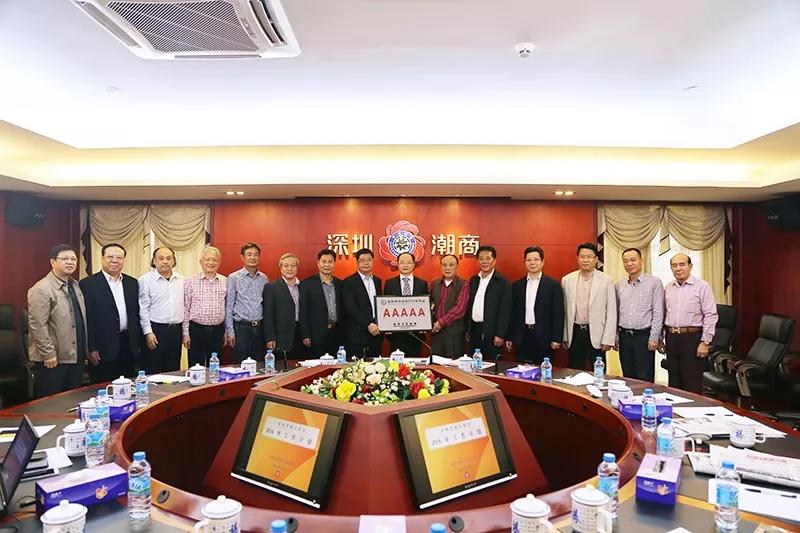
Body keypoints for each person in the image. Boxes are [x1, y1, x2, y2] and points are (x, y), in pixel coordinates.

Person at [27, 244, 87, 397]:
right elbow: (37, 325)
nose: (70, 262)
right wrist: (48, 354)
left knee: (72, 399)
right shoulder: (41, 289)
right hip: (54, 358)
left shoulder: (75, 285)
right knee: (50, 402)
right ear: (53, 262)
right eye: (65, 259)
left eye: (73, 259)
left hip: (75, 355)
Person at [80, 243, 141, 383]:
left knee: (128, 385)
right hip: (102, 346)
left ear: (124, 260)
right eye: (110, 257)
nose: (114, 260)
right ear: (102, 259)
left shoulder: (132, 283)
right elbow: (87, 318)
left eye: (119, 257)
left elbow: (136, 315)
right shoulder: (88, 284)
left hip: (128, 344)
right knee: (102, 387)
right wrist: (91, 348)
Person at [663, 253, 718, 393]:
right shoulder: (668, 287)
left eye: (682, 264)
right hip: (671, 338)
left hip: (692, 339)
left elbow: (710, 315)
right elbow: (664, 313)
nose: (678, 268)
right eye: (674, 265)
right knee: (674, 382)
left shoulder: (702, 287)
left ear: (690, 266)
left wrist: (705, 342)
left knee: (691, 382)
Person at [561, 243, 616, 370]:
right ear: (577, 258)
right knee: (575, 370)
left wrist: (608, 339)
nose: (585, 260)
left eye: (589, 257)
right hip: (575, 332)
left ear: (596, 259)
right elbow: (564, 310)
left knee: (598, 372)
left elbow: (611, 311)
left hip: (598, 333)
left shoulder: (606, 280)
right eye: (582, 256)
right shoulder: (567, 280)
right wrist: (565, 335)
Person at [508, 246, 565, 364]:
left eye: (536, 259)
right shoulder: (517, 285)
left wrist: (556, 338)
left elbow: (558, 313)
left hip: (544, 337)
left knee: (543, 371)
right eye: (529, 260)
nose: (532, 263)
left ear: (542, 262)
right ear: (525, 262)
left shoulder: (553, 285)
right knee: (522, 370)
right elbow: (512, 313)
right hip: (522, 337)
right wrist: (509, 336)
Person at [615, 247, 664, 382]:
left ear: (641, 261)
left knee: (644, 378)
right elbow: (616, 312)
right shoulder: (619, 285)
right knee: (627, 377)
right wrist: (616, 336)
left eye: (633, 260)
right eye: (626, 261)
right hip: (624, 337)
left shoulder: (654, 282)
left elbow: (658, 312)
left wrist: (654, 337)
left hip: (644, 337)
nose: (629, 264)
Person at [138, 246, 184, 373]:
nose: (165, 261)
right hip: (155, 330)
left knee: (173, 370)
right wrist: (148, 332)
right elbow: (143, 309)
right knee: (153, 370)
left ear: (174, 261)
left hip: (176, 331)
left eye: (169, 258)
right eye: (161, 258)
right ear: (154, 261)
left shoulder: (181, 279)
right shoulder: (145, 280)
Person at [183, 246, 226, 367]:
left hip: (218, 331)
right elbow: (186, 308)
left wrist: (227, 331)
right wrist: (185, 333)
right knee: (196, 367)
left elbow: (227, 308)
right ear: (201, 262)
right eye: (207, 259)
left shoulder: (225, 281)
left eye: (214, 260)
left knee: (215, 368)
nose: (211, 263)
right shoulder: (190, 281)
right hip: (196, 331)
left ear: (219, 262)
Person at [224, 243, 268, 363]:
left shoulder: (264, 278)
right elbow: (229, 306)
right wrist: (230, 331)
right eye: (249, 254)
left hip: (259, 328)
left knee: (259, 364)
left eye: (255, 255)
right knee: (240, 364)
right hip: (241, 329)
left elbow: (266, 304)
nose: (252, 257)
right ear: (242, 257)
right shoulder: (233, 278)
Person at [468, 245, 512, 364]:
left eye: (488, 258)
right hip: (475, 330)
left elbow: (505, 310)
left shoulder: (503, 282)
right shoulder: (473, 280)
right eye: (481, 258)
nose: (484, 261)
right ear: (477, 261)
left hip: (492, 333)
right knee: (474, 366)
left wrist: (500, 334)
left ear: (494, 260)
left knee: (491, 366)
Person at [383, 252, 429, 356]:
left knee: (415, 362)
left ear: (413, 265)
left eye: (409, 262)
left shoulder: (422, 284)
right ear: (397, 264)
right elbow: (385, 308)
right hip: (396, 334)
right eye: (402, 262)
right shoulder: (390, 283)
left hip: (416, 333)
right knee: (396, 363)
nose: (405, 265)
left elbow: (425, 307)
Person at [300, 249, 343, 357]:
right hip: (316, 335)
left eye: (330, 261)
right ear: (318, 263)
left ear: (334, 263)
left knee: (336, 365)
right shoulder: (307, 284)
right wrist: (305, 334)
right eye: (324, 261)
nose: (327, 265)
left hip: (337, 333)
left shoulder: (340, 284)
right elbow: (303, 312)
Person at [264, 253, 305, 361]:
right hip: (281, 337)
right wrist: (270, 337)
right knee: (282, 368)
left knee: (301, 367)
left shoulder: (303, 286)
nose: (290, 269)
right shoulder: (271, 287)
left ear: (297, 268)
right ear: (281, 268)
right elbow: (268, 315)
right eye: (286, 266)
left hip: (301, 335)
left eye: (293, 265)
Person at [342, 248, 383, 358]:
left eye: (369, 260)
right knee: (358, 366)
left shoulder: (377, 281)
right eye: (362, 260)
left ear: (373, 261)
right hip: (357, 332)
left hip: (376, 331)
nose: (366, 263)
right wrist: (368, 324)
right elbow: (350, 307)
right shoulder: (349, 282)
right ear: (357, 263)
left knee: (376, 365)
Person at [429, 254, 470, 357]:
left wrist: (440, 323)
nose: (447, 268)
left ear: (457, 267)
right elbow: (429, 304)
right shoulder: (434, 283)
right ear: (441, 266)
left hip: (454, 334)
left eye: (451, 265)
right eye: (444, 265)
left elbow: (460, 309)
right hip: (436, 332)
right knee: (436, 362)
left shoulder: (464, 284)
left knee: (453, 364)